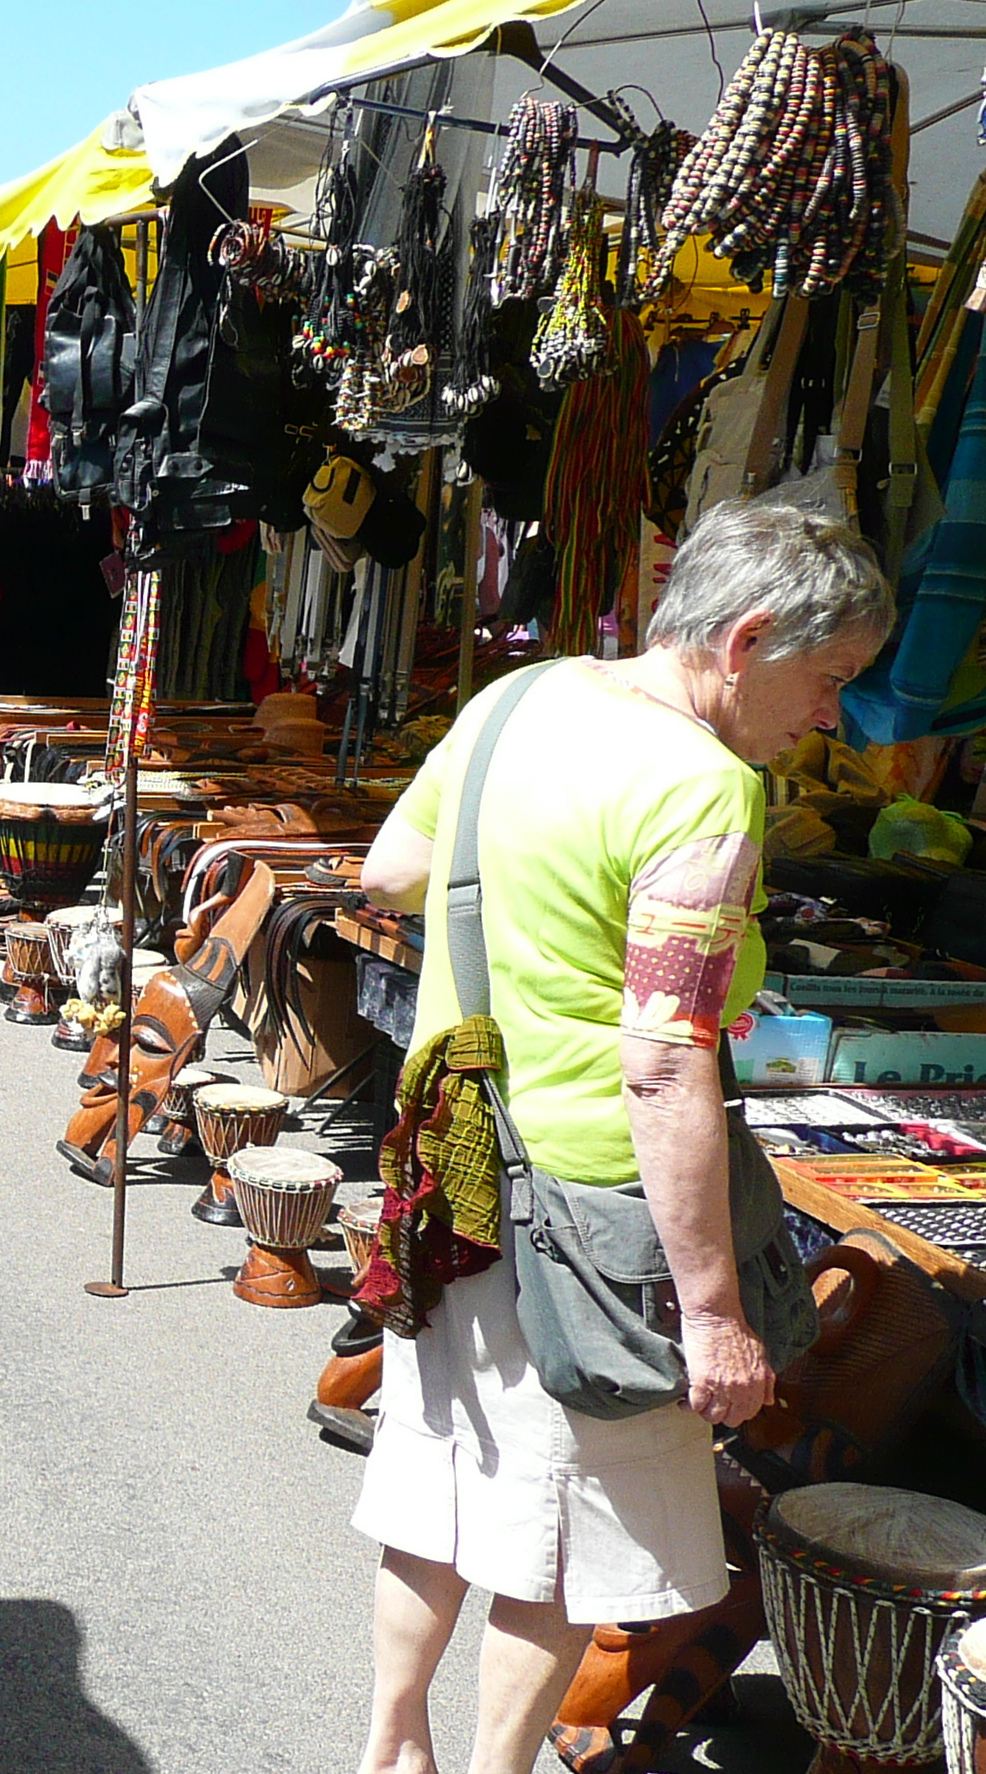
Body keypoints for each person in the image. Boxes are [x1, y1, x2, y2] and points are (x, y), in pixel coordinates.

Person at [349, 497, 892, 1774]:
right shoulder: (702, 787)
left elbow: (387, 874)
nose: (831, 716)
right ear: (745, 639)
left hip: (460, 1160)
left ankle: (387, 1748)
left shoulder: (514, 701)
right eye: (828, 680)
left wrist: (527, 918)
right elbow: (659, 1062)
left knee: (441, 1485)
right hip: (593, 1212)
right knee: (550, 1535)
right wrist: (712, 1313)